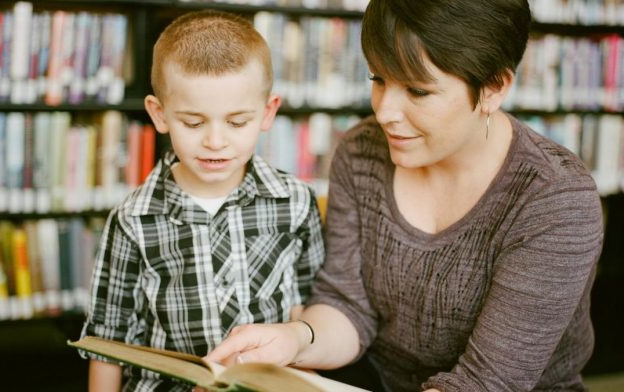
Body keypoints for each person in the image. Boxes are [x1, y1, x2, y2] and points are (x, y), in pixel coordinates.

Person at [206, 0, 604, 391]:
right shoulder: (362, 151)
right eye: (378, 79)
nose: (384, 112)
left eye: (417, 90)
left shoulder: (554, 199)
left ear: (493, 88)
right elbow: (348, 306)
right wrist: (294, 340)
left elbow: (488, 382)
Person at [79, 10, 325, 391]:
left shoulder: (295, 201)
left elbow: (306, 309)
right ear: (159, 115)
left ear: (268, 112)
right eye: (193, 123)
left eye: (237, 122)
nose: (215, 141)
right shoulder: (133, 219)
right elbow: (107, 340)